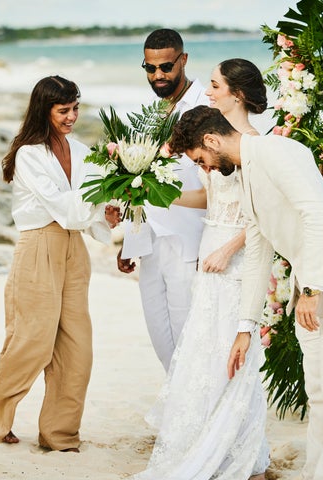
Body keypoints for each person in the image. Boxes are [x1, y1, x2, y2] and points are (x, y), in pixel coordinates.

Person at [169, 105, 323, 480]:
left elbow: (316, 215)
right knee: (319, 393)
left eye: (201, 160)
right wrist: (245, 325)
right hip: (312, 288)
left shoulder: (274, 152)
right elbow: (257, 249)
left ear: (211, 140)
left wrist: (313, 289)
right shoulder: (247, 171)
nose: (204, 169)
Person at [133, 59, 270, 480]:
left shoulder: (252, 146)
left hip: (235, 255)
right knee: (205, 347)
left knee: (232, 347)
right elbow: (211, 200)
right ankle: (204, 435)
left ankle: (235, 446)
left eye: (214, 84)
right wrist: (156, 192)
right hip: (209, 246)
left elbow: (263, 216)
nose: (208, 90)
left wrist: (229, 249)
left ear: (237, 93)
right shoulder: (212, 143)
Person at [0, 75, 121, 451]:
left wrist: (107, 215)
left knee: (77, 346)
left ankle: (60, 434)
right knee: (31, 341)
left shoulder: (80, 150)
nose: (72, 117)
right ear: (44, 110)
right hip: (38, 247)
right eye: (63, 110)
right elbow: (64, 208)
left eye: (75, 108)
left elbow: (87, 210)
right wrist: (98, 202)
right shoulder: (30, 154)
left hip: (74, 250)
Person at [117, 28, 208, 372]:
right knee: (161, 338)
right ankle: (179, 412)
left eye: (166, 67)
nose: (158, 75)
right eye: (150, 68)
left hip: (188, 244)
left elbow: (218, 179)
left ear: (183, 60)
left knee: (188, 337)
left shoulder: (204, 107)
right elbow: (141, 184)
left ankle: (191, 419)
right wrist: (128, 241)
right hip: (149, 242)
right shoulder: (156, 113)